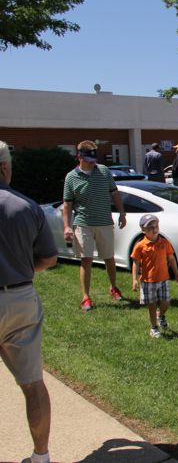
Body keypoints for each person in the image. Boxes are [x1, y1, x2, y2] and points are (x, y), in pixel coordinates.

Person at [0, 140, 58, 463]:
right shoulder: (27, 207)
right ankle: (41, 457)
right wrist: (24, 267)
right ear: (5, 168)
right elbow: (49, 258)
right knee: (33, 384)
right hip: (20, 297)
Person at [63, 140, 127, 311]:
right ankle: (86, 297)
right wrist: (67, 227)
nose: (93, 164)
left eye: (94, 160)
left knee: (109, 258)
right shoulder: (71, 177)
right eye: (89, 161)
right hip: (83, 223)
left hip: (105, 222)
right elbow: (67, 204)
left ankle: (113, 288)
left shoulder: (104, 172)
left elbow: (115, 194)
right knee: (86, 259)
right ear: (79, 157)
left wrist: (122, 213)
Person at [131, 214, 178, 338]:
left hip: (164, 279)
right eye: (150, 227)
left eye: (156, 226)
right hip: (148, 281)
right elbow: (135, 263)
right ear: (143, 230)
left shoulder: (164, 243)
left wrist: (176, 273)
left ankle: (161, 315)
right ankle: (154, 328)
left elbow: (171, 258)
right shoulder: (140, 246)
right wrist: (134, 279)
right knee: (152, 305)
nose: (154, 229)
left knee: (166, 302)